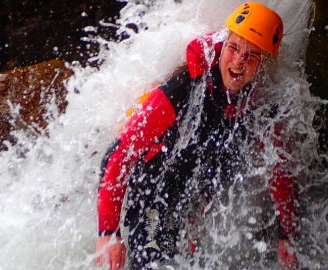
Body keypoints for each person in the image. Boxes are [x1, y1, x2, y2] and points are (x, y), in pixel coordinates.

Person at [95, 2, 297, 269]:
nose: (238, 62)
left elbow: (278, 171)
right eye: (234, 48)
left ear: (262, 66)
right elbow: (120, 154)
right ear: (223, 46)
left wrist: (287, 234)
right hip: (152, 182)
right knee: (154, 259)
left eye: (251, 56)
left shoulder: (259, 107)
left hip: (190, 190)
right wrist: (109, 233)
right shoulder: (185, 88)